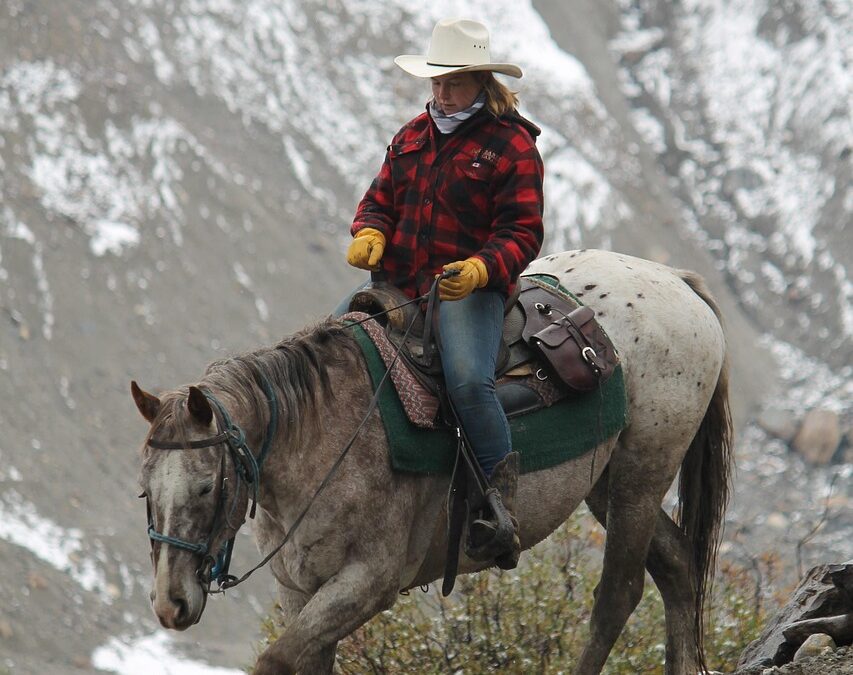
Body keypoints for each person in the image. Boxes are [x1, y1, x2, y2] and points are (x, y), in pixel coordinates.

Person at [344, 18, 544, 567]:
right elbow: (377, 200)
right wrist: (370, 232)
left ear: (480, 80)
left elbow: (523, 232)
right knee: (329, 346)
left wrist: (481, 270)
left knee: (466, 382)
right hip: (399, 286)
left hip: (466, 293)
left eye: (452, 82)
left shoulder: (512, 146)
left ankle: (499, 508)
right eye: (436, 81)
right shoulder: (411, 135)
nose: (441, 92)